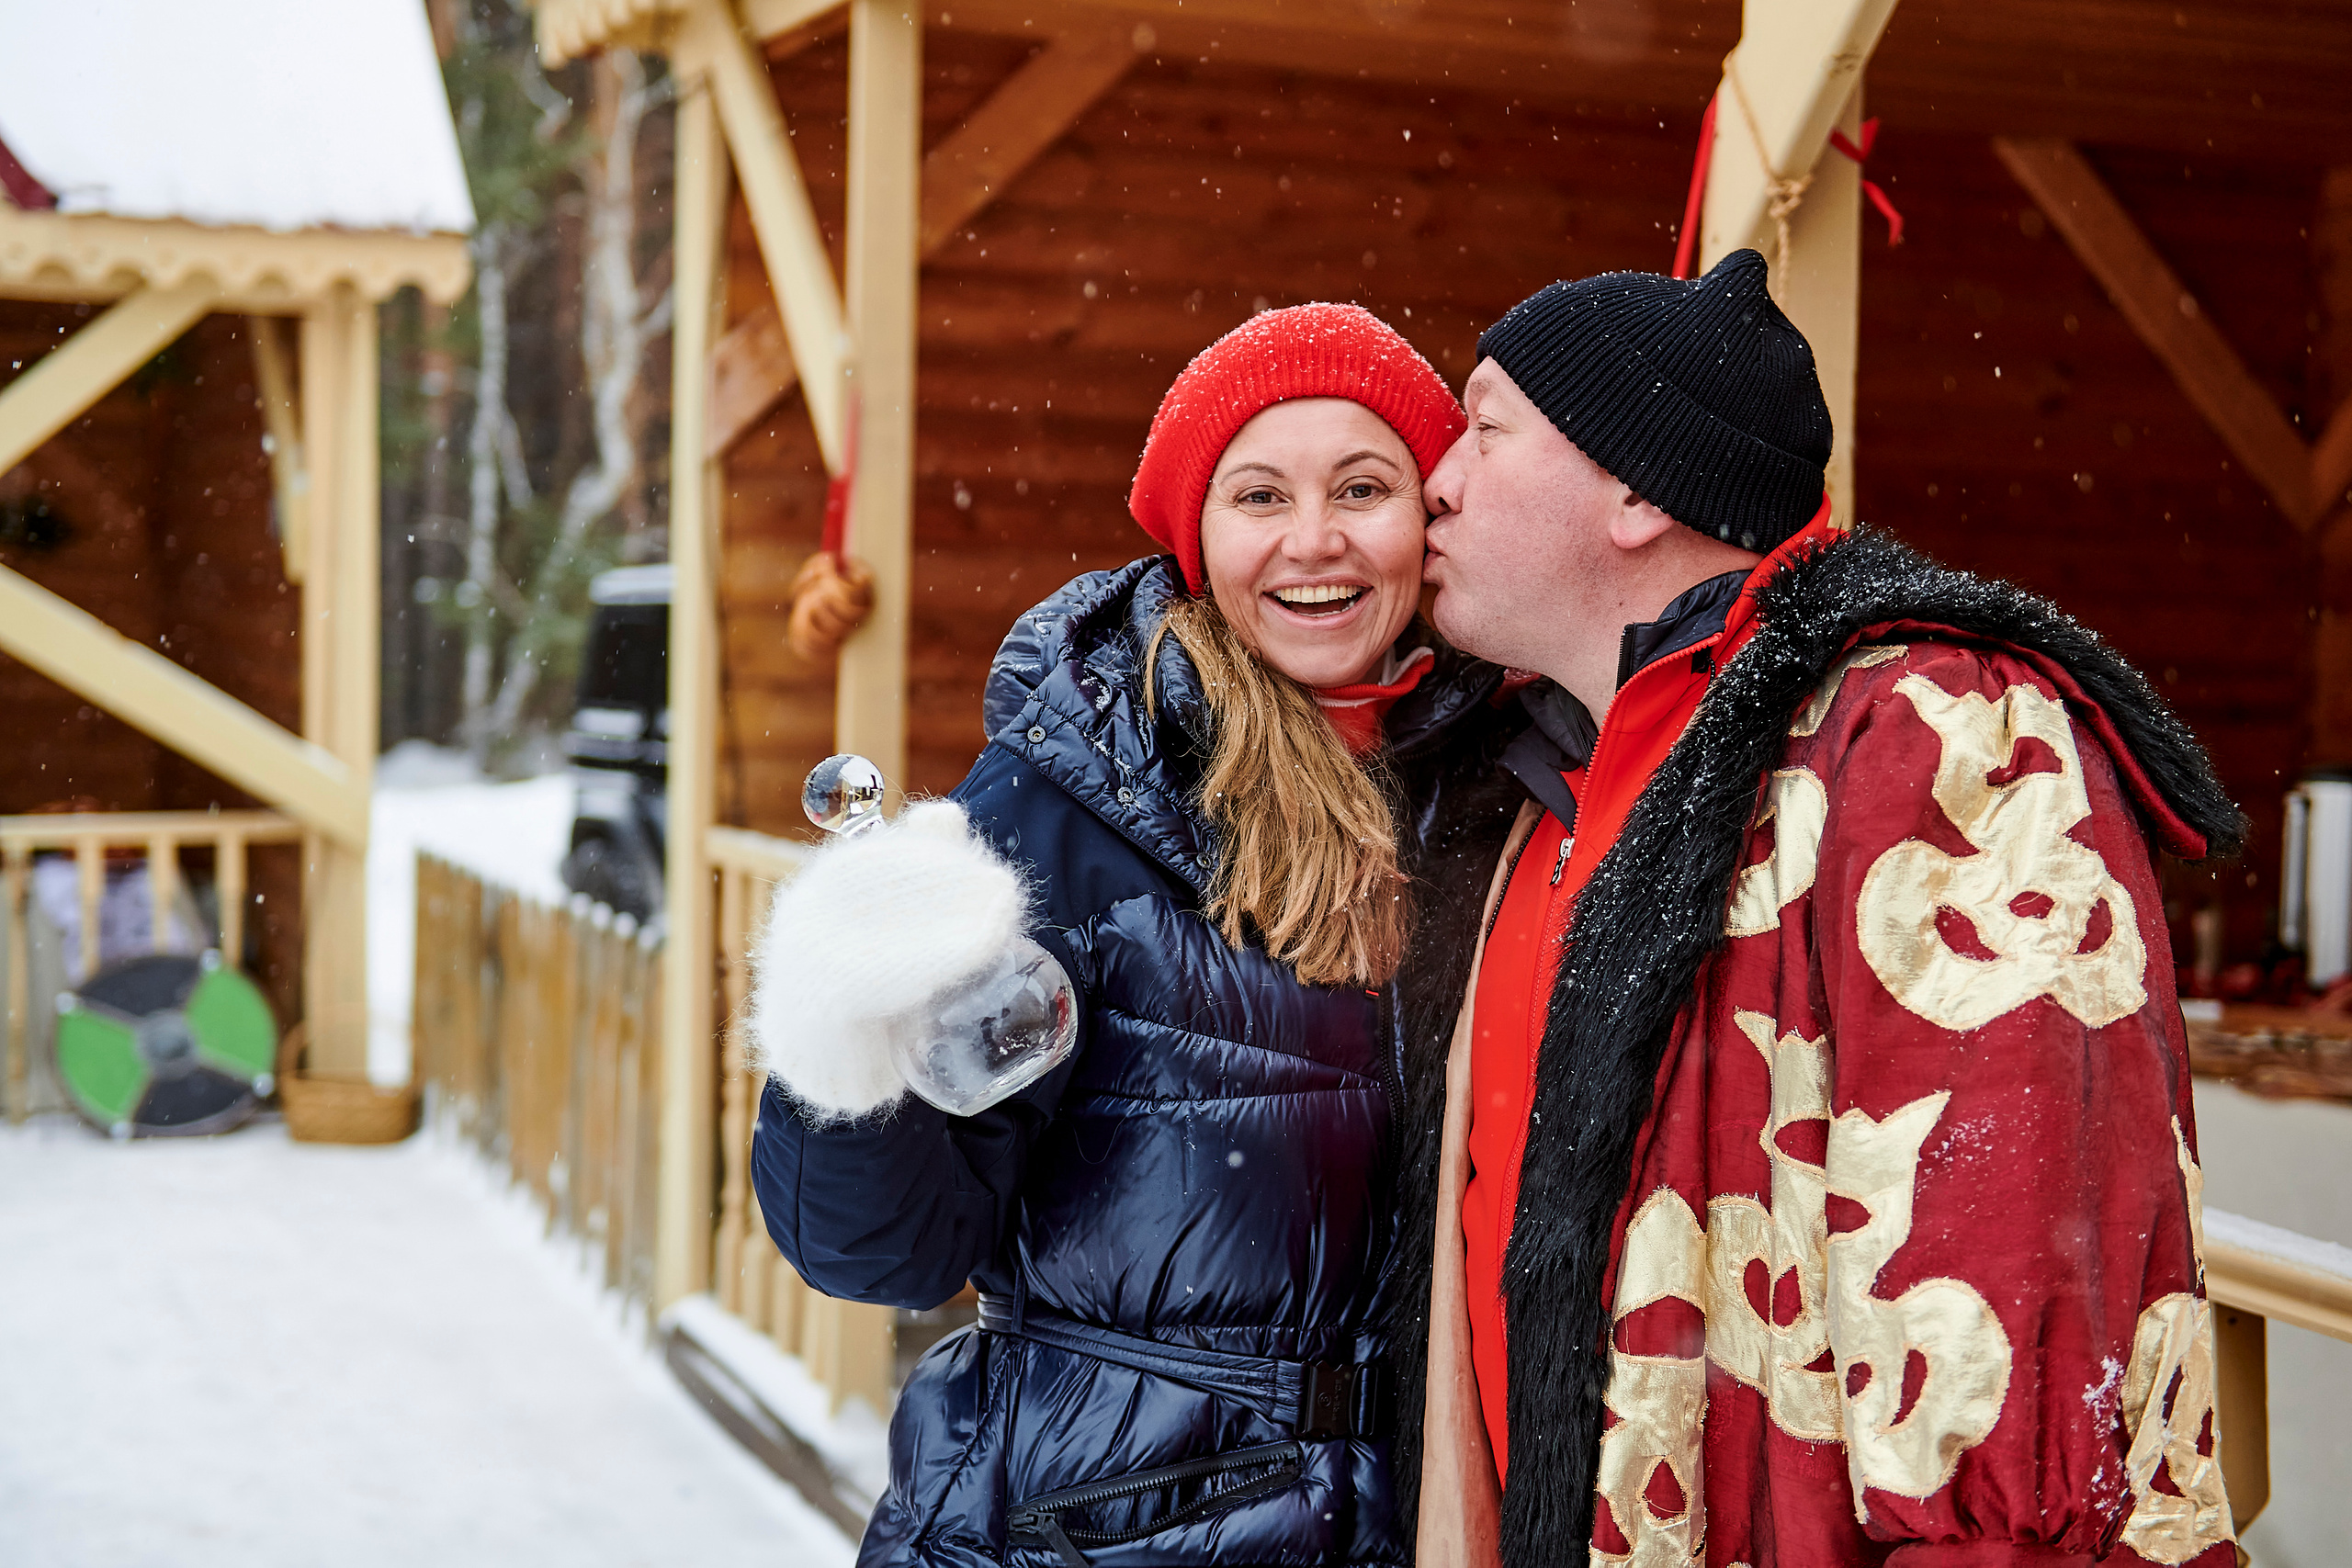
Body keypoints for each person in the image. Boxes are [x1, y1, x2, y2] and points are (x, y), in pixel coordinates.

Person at [1396, 251, 2245, 1568]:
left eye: (1485, 429)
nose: (1433, 480)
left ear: (1633, 486)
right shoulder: (1537, 793)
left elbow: (2011, 1322)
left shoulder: (1940, 737)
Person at [746, 303, 1522, 1568]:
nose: (1314, 541)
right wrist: (849, 1051)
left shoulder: (1497, 790)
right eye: (1260, 496)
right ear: (1195, 535)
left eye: (1364, 487)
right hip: (1096, 1523)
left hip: (1413, 1519)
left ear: (1426, 520)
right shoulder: (1082, 805)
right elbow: (884, 1249)